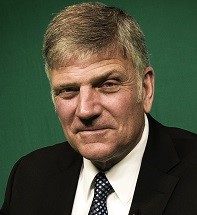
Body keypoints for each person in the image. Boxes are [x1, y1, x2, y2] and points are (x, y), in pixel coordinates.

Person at [1, 2, 197, 215]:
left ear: (146, 88)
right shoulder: (29, 178)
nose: (86, 110)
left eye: (108, 85)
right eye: (68, 90)